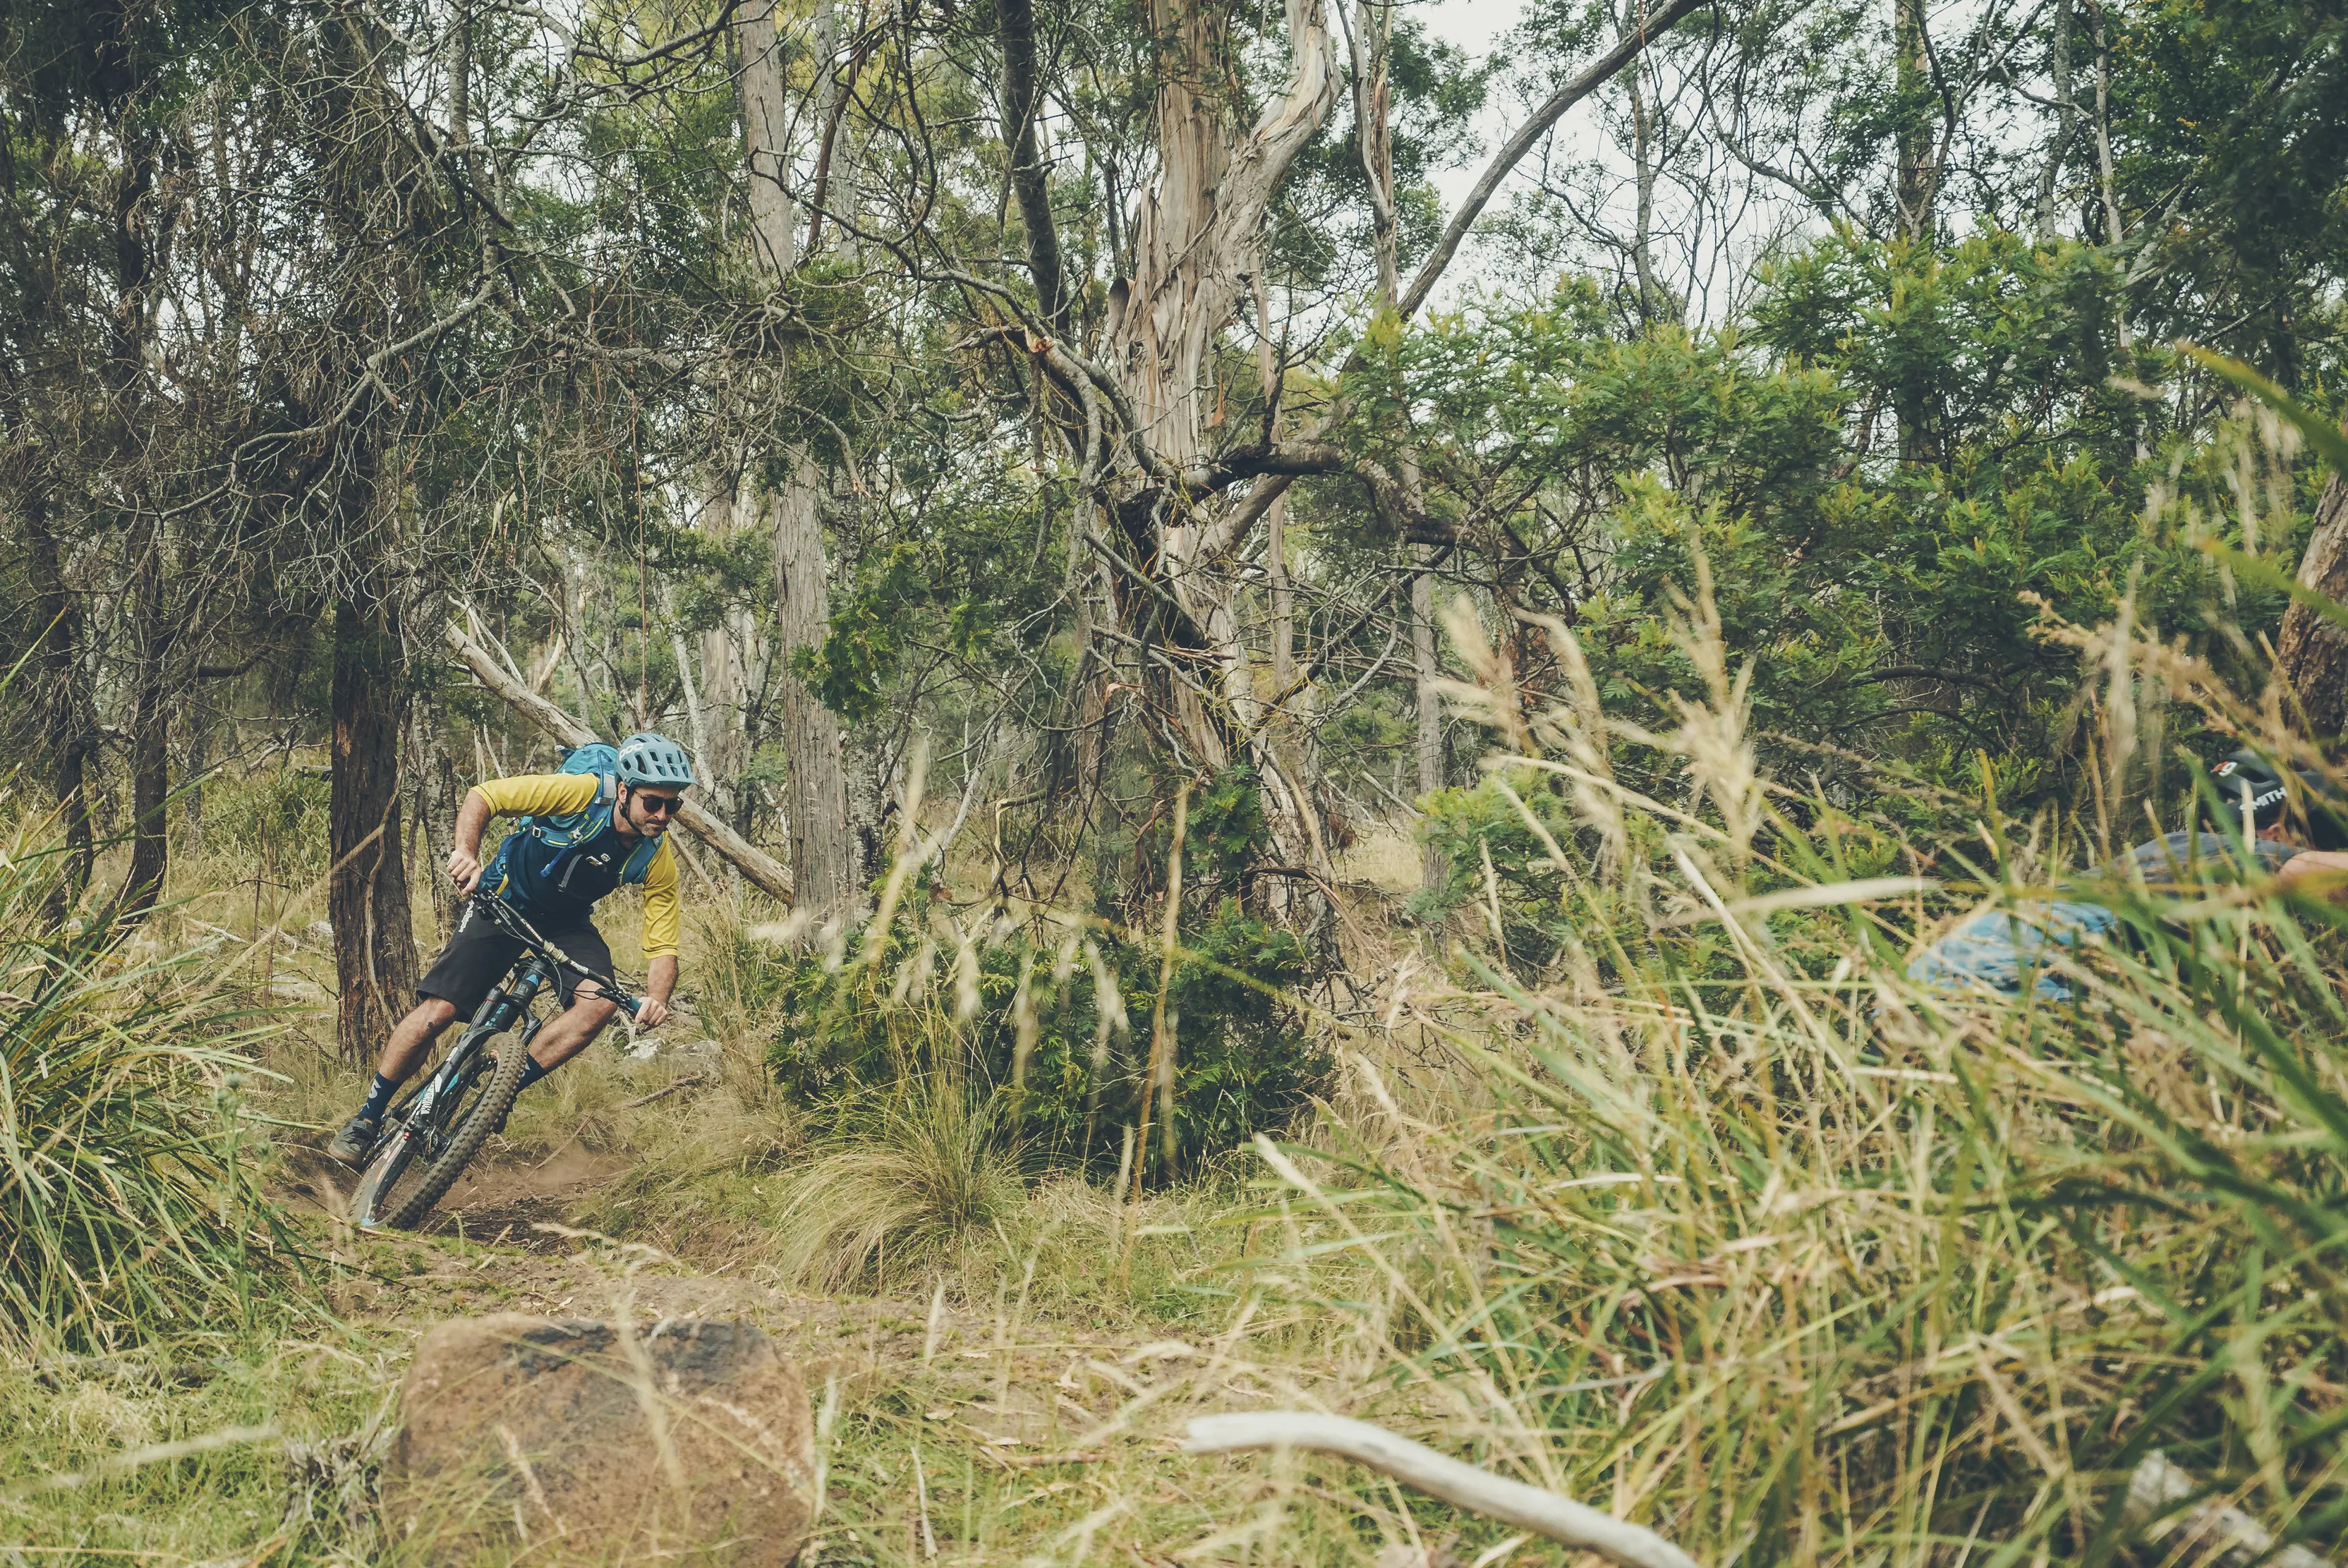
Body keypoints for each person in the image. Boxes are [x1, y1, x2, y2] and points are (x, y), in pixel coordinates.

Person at [327, 731, 696, 1167]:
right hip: (503, 899)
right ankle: (367, 1118)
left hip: (566, 923)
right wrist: (466, 852)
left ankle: (495, 1096)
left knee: (597, 1006)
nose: (662, 815)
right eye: (653, 802)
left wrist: (656, 999)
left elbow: (663, 943)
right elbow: (485, 796)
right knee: (437, 1013)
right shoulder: (579, 794)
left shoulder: (656, 856)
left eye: (673, 805)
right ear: (624, 792)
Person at [1906, 748, 2348, 999]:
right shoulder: (2207, 852)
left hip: (1934, 987)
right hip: (1988, 982)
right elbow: (2310, 872)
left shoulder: (2169, 871)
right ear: (2274, 833)